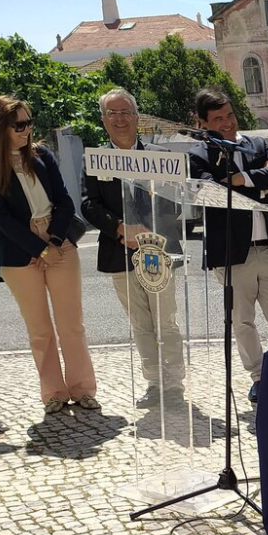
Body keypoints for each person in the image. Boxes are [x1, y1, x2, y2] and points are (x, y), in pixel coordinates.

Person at [0, 95, 99, 414]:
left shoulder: (42, 154)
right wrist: (38, 248)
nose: (27, 129)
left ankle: (83, 389)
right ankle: (54, 392)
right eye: (19, 125)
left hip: (57, 238)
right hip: (18, 248)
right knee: (40, 330)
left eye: (29, 122)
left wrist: (52, 242)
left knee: (72, 324)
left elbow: (65, 201)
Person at [187, 88, 268, 404]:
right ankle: (260, 377)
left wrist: (240, 179)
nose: (228, 122)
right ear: (203, 123)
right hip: (232, 254)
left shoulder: (256, 145)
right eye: (218, 119)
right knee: (242, 321)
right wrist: (259, 184)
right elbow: (211, 194)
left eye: (230, 114)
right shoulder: (199, 156)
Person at [81, 88, 186, 407]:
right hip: (119, 252)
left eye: (125, 112)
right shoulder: (96, 159)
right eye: (112, 113)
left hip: (159, 251)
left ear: (137, 117)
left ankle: (174, 384)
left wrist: (155, 223)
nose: (119, 119)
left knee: (165, 321)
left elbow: (176, 202)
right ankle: (154, 383)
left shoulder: (160, 157)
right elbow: (89, 204)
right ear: (103, 120)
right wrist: (119, 227)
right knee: (141, 323)